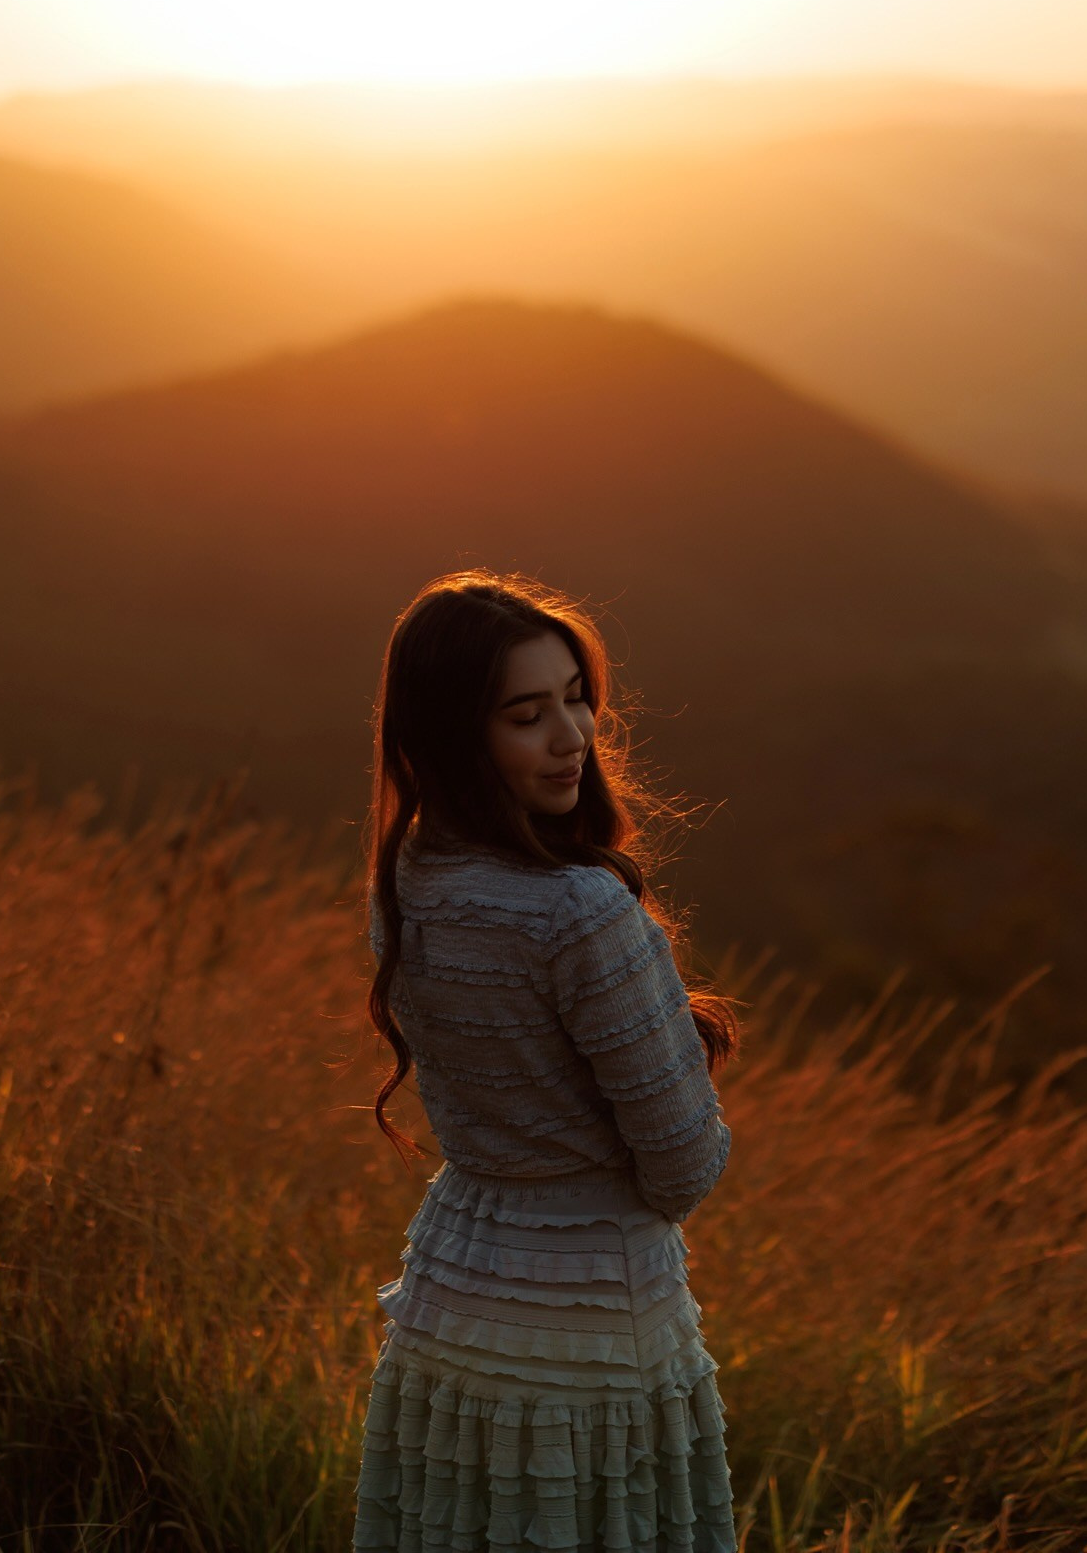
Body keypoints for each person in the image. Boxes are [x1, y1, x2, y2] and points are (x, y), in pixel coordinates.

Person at [352, 570, 741, 1552]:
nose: (572, 737)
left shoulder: (405, 882)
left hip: (453, 1291)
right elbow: (684, 1168)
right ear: (454, 735)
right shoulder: (584, 911)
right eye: (528, 714)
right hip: (591, 1316)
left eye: (578, 700)